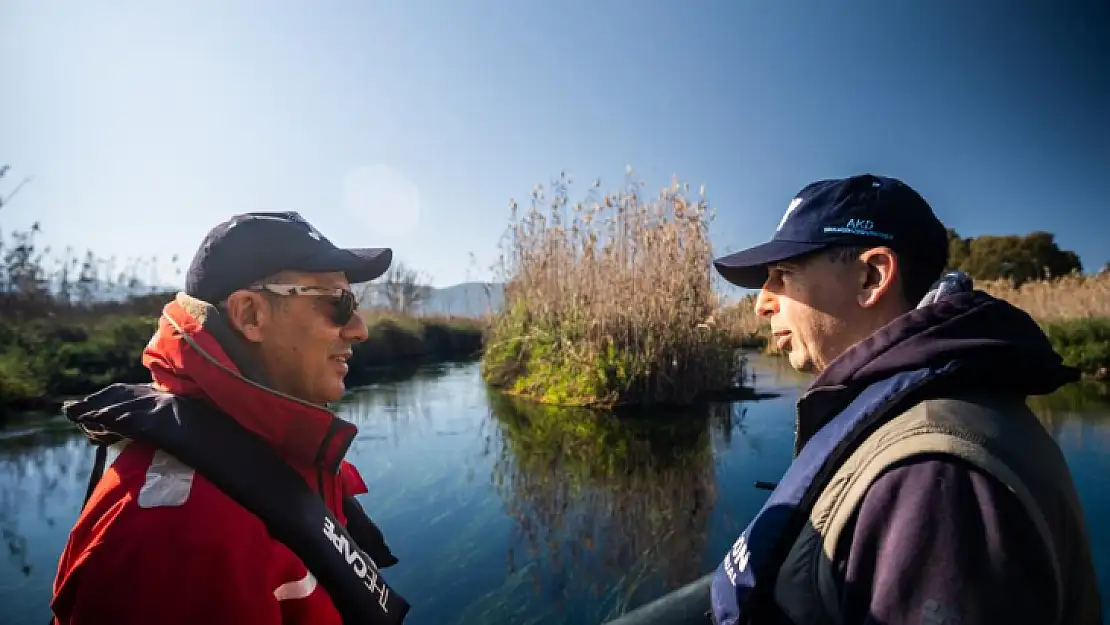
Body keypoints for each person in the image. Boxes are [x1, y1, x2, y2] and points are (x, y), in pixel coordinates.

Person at [708, 174, 1101, 625]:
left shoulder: (933, 477)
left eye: (784, 274)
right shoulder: (926, 417)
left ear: (871, 277)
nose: (763, 303)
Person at [50, 212, 409, 625]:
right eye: (337, 304)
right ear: (250, 315)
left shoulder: (274, 447)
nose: (360, 329)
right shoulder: (178, 538)